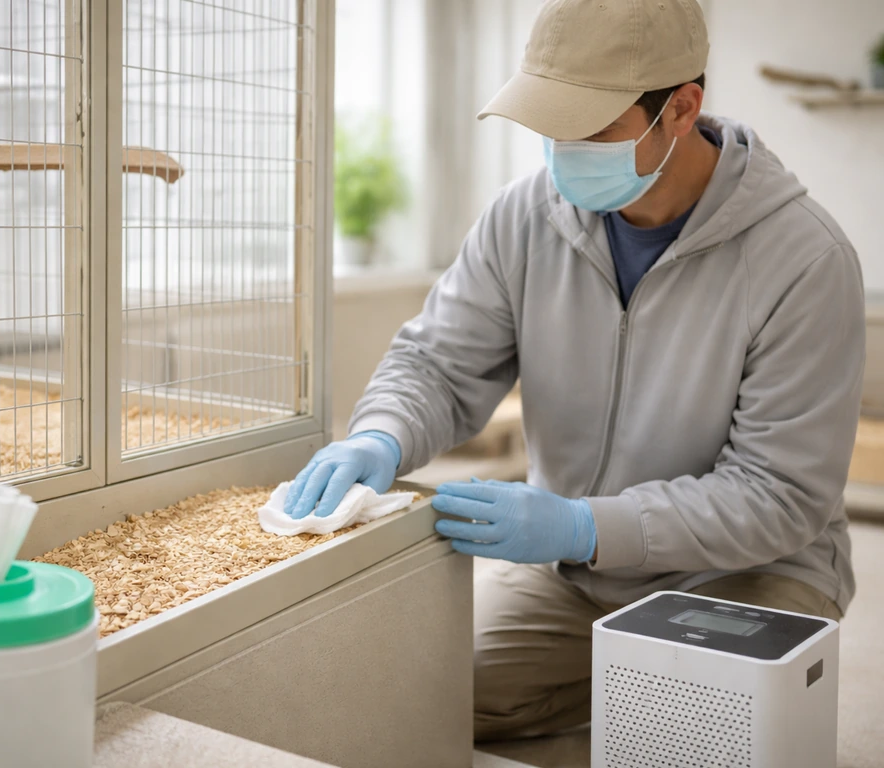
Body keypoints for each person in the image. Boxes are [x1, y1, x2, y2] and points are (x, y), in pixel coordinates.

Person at [285, 0, 865, 742]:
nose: (564, 150)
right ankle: (611, 682)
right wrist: (379, 437)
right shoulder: (523, 217)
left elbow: (778, 496)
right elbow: (437, 360)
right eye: (549, 124)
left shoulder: (806, 260)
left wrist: (586, 524)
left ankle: (638, 694)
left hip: (743, 571)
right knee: (422, 696)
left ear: (683, 108)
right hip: (575, 573)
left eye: (591, 127)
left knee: (694, 737)